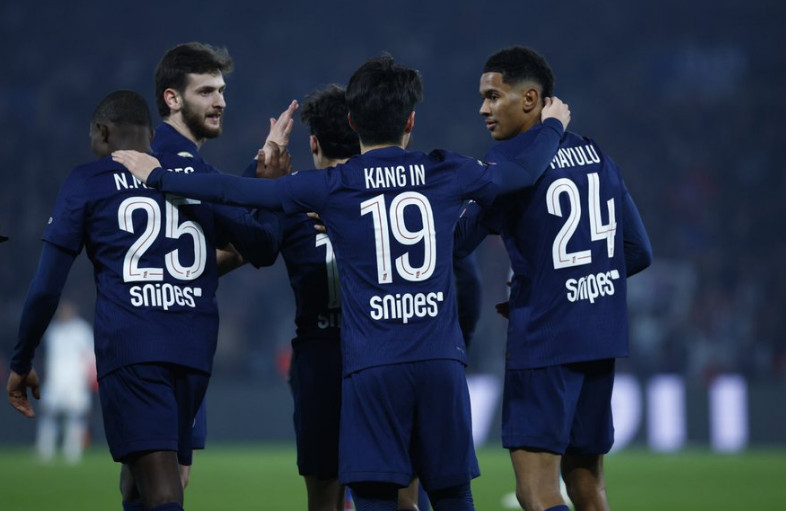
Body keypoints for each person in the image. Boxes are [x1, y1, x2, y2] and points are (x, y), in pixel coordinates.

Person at [113, 54, 571, 511]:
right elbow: (521, 175)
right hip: (439, 364)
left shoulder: (332, 185)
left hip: (371, 368)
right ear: (410, 119)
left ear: (353, 121)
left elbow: (238, 191)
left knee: (371, 498)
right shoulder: (446, 170)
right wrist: (551, 125)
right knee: (451, 495)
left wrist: (158, 175)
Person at [6, 90, 284, 511]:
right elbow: (243, 235)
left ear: (101, 132)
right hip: (194, 352)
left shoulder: (88, 180)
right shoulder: (190, 183)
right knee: (136, 485)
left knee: (163, 491)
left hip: (134, 349)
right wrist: (257, 169)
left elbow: (46, 286)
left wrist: (21, 360)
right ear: (152, 136)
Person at [454, 46, 652, 511]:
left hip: (545, 339)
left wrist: (548, 288)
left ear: (529, 100)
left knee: (536, 490)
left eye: (492, 96)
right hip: (599, 336)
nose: (483, 108)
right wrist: (565, 282)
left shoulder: (512, 165)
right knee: (587, 485)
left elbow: (458, 241)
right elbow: (638, 250)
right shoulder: (596, 154)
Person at [35, 299, 95, 465]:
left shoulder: (82, 330)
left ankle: (72, 452)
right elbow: (48, 357)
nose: (64, 314)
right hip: (55, 380)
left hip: (76, 381)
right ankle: (44, 452)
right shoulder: (53, 331)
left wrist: (89, 377)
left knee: (76, 416)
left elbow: (91, 355)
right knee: (48, 415)